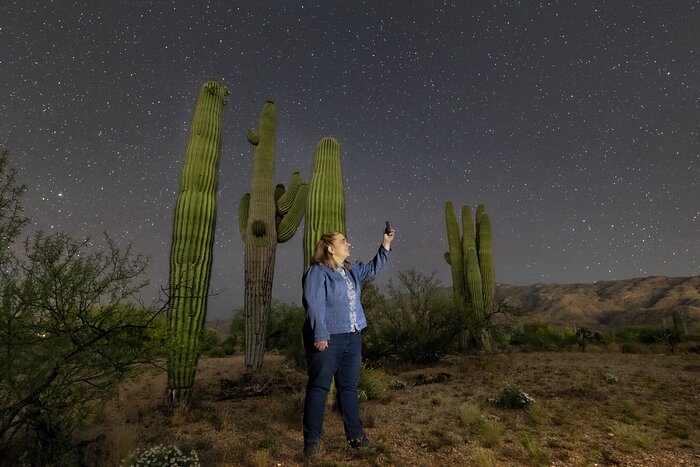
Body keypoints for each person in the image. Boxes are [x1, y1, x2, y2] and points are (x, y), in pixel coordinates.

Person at [301, 228, 395, 457]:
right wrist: (320, 335)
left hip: (352, 334)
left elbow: (373, 268)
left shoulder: (351, 270)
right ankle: (312, 442)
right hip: (328, 337)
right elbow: (314, 304)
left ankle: (356, 437)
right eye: (343, 241)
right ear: (330, 248)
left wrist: (385, 244)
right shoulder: (317, 272)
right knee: (319, 387)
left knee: (349, 387)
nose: (348, 244)